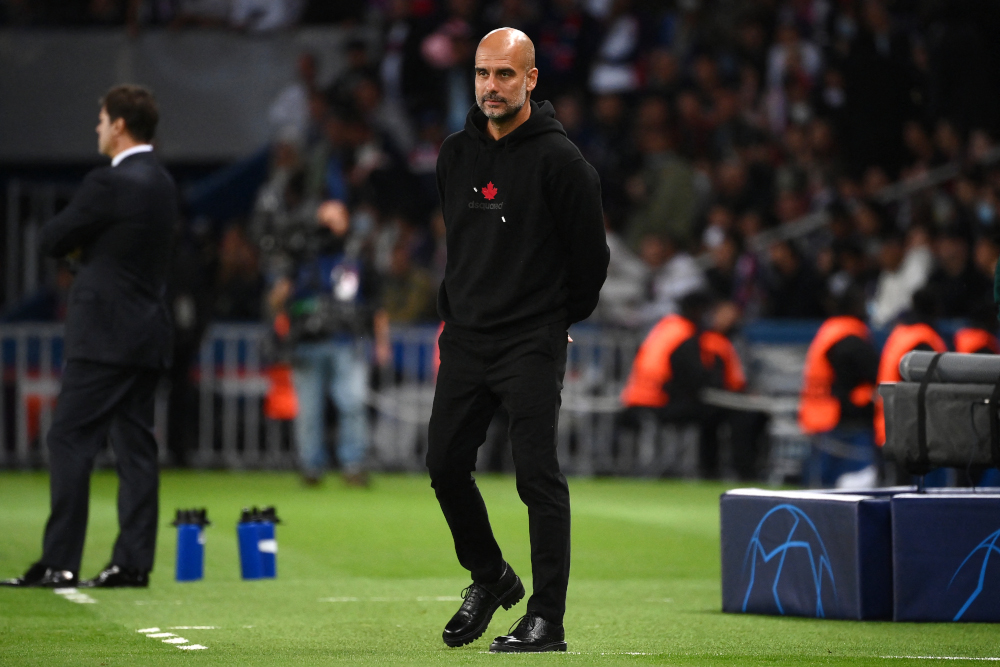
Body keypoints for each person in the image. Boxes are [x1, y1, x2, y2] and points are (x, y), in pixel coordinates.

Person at [426, 28, 609, 653]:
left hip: (530, 339)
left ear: (532, 79)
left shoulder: (562, 163)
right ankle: (490, 575)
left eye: (505, 75)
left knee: (536, 476)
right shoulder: (454, 153)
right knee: (444, 465)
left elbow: (592, 262)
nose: (491, 87)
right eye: (482, 74)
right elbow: (460, 245)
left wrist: (553, 320)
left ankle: (547, 620)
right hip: (467, 339)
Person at [1, 85, 176, 588]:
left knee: (70, 439)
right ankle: (132, 563)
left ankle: (58, 562)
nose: (97, 129)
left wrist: (85, 249)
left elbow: (52, 238)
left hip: (102, 336)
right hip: (146, 333)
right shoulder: (162, 183)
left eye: (101, 120)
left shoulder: (110, 183)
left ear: (120, 124)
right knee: (136, 447)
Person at [266, 200, 389, 487]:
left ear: (347, 221)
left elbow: (377, 303)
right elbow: (276, 300)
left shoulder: (358, 254)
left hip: (347, 339)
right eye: (325, 219)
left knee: (353, 403)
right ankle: (311, 466)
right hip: (307, 342)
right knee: (309, 409)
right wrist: (280, 291)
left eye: (336, 218)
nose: (329, 225)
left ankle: (353, 465)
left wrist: (382, 342)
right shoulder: (300, 255)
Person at [620, 291, 762, 480]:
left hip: (636, 398)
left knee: (711, 412)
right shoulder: (688, 335)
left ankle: (709, 469)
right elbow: (693, 378)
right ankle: (728, 471)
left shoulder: (665, 327)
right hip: (660, 401)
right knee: (723, 414)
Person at [798, 288, 880, 488]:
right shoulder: (852, 338)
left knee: (821, 487)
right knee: (855, 488)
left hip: (819, 415)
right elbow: (875, 373)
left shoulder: (827, 332)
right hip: (846, 422)